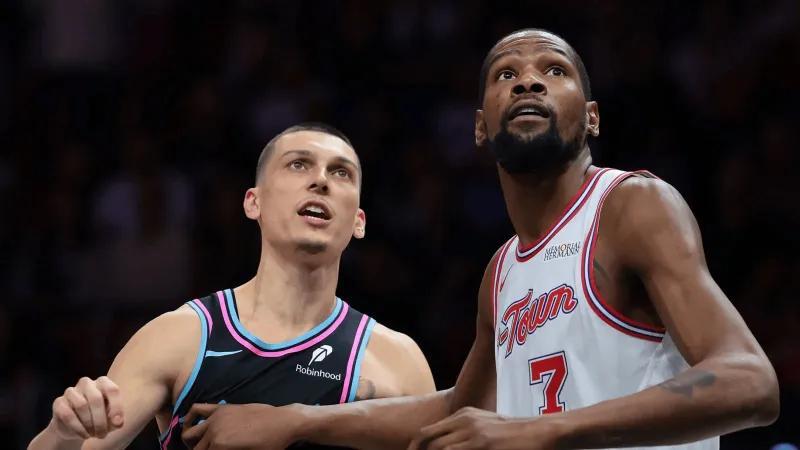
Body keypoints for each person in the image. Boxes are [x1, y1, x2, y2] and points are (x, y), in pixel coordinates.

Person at [181, 29, 780, 450]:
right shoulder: (503, 272)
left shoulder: (631, 207)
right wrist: (294, 420)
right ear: (479, 127)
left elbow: (750, 381)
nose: (528, 82)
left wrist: (540, 431)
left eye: (554, 71)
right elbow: (457, 413)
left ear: (592, 117)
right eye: (506, 75)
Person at [27, 123, 436, 450]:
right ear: (253, 202)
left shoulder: (398, 362)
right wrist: (63, 433)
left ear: (359, 221)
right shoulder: (180, 337)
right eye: (298, 165)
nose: (321, 181)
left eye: (341, 172)